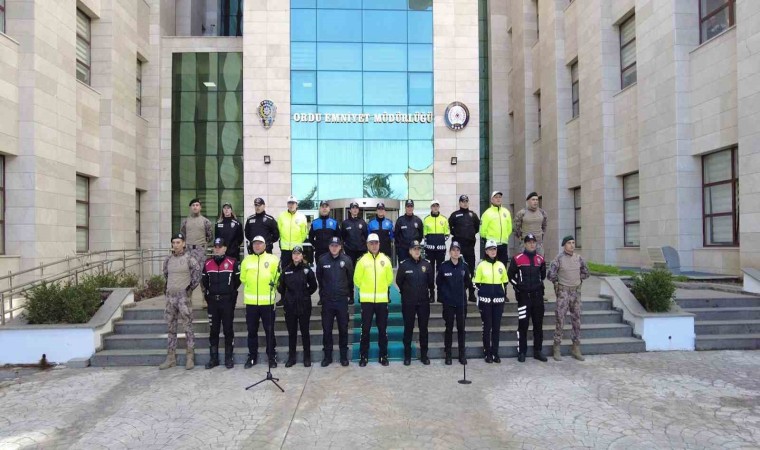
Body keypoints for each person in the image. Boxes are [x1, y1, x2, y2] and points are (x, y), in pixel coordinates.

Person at [159, 232, 202, 370]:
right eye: (174, 243)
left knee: (187, 327)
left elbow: (197, 275)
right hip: (170, 299)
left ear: (183, 243)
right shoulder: (168, 260)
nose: (175, 245)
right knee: (171, 328)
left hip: (184, 299)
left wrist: (189, 289)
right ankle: (171, 357)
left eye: (178, 242)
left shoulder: (190, 258)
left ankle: (190, 357)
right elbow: (166, 274)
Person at [240, 235, 281, 369]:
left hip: (267, 302)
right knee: (252, 331)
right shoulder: (247, 260)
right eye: (255, 243)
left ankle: (271, 356)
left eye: (260, 243)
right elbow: (243, 278)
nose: (257, 246)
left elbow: (277, 278)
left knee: (269, 331)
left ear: (265, 245)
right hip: (251, 303)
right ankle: (252, 356)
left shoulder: (273, 259)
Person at [547, 235, 590, 361]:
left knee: (576, 320)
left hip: (575, 293)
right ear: (564, 245)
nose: (572, 245)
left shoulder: (579, 258)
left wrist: (577, 278)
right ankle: (557, 347)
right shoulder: (558, 259)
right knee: (560, 319)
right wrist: (560, 283)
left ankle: (576, 347)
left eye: (573, 242)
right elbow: (550, 275)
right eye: (569, 243)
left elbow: (586, 272)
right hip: (563, 292)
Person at [354, 233, 394, 367]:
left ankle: (383, 356)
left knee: (382, 330)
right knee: (365, 330)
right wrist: (367, 290)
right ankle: (363, 356)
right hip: (367, 301)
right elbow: (357, 280)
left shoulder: (386, 260)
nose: (374, 245)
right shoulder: (362, 260)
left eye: (376, 243)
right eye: (371, 243)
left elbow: (389, 280)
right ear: (367, 245)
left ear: (379, 244)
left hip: (382, 301)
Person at [201, 237, 241, 369]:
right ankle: (214, 358)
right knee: (214, 330)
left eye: (220, 246)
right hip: (213, 302)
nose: (217, 249)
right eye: (215, 247)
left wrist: (230, 294)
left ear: (225, 248)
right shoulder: (207, 264)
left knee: (228, 330)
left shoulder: (232, 262)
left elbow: (237, 281)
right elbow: (205, 283)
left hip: (227, 301)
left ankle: (229, 357)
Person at [508, 233, 548, 363]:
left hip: (537, 298)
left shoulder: (540, 259)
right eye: (529, 242)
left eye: (533, 242)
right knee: (523, 326)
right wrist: (518, 287)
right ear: (524, 244)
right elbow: (510, 276)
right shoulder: (517, 259)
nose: (531, 244)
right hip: (523, 298)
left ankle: (538, 351)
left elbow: (542, 276)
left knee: (538, 325)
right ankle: (522, 352)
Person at [278, 245, 318, 368]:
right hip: (290, 307)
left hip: (304, 305)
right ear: (292, 256)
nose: (296, 256)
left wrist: (305, 295)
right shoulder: (286, 270)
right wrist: (288, 298)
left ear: (302, 256)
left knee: (305, 332)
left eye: (298, 254)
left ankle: (307, 357)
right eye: (294, 254)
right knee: (292, 333)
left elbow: (313, 286)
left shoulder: (307, 270)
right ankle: (292, 358)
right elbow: (281, 287)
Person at [317, 236, 355, 367]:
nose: (334, 248)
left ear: (340, 247)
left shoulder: (347, 260)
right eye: (332, 245)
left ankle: (343, 356)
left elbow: (350, 280)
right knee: (327, 330)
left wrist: (349, 295)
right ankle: (327, 356)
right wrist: (322, 296)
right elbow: (320, 279)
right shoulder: (322, 260)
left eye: (336, 245)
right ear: (329, 247)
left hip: (341, 301)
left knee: (343, 329)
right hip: (327, 301)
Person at [396, 240, 434, 365]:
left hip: (423, 302)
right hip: (409, 303)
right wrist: (407, 293)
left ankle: (424, 355)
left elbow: (430, 283)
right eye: (414, 249)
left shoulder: (427, 265)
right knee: (408, 329)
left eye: (418, 249)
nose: (417, 251)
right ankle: (407, 356)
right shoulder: (404, 265)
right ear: (410, 251)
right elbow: (399, 282)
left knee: (424, 329)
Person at [436, 241, 473, 365]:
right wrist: (445, 295)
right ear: (449, 251)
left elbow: (468, 282)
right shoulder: (444, 266)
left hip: (461, 303)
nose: (455, 252)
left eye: (458, 250)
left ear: (460, 252)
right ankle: (448, 355)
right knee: (449, 328)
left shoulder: (464, 266)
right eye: (453, 250)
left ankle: (462, 354)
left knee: (461, 329)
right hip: (449, 303)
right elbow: (439, 282)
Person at [473, 240, 508, 363]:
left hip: (498, 301)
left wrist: (500, 293)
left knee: (496, 327)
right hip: (485, 301)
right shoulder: (481, 265)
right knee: (487, 327)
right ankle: (487, 352)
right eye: (490, 249)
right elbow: (476, 282)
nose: (493, 251)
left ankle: (495, 352)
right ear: (486, 251)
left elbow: (505, 281)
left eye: (495, 249)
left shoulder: (501, 265)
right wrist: (484, 291)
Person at [448, 194, 480, 302]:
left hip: (469, 247)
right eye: (462, 201)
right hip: (458, 248)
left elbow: (476, 228)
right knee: (457, 269)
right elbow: (450, 228)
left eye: (466, 201)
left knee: (470, 270)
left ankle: (471, 293)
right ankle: (458, 292)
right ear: (459, 203)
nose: (464, 203)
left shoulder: (473, 215)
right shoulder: (454, 215)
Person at [180, 198, 213, 274]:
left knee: (201, 272)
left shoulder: (206, 221)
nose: (195, 207)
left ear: (200, 207)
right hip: (188, 250)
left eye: (197, 205)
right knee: (188, 272)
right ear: (190, 208)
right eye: (193, 205)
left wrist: (202, 245)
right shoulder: (185, 221)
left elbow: (210, 236)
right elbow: (183, 235)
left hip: (200, 250)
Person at [480, 191, 513, 268]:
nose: (498, 199)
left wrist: (504, 237)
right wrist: (488, 239)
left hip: (503, 244)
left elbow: (509, 228)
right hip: (492, 245)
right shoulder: (487, 213)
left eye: (500, 197)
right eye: (496, 197)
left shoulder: (506, 212)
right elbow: (482, 230)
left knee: (502, 266)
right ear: (492, 200)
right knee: (491, 266)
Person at [277, 195, 308, 269]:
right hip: (285, 250)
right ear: (287, 204)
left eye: (293, 203)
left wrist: (298, 241)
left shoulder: (302, 217)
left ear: (296, 205)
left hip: (297, 249)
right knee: (285, 270)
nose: (291, 205)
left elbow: (304, 233)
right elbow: (279, 230)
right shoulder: (281, 216)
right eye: (289, 203)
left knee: (298, 270)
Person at [423, 199, 450, 280]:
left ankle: (440, 289)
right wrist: (431, 241)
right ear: (431, 208)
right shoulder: (426, 219)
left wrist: (439, 241)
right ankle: (431, 289)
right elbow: (424, 235)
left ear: (439, 207)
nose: (435, 208)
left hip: (441, 250)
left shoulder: (444, 219)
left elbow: (447, 233)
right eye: (433, 206)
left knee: (441, 269)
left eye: (437, 206)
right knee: (430, 269)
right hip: (430, 250)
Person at [341, 201, 368, 266]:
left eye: (356, 208)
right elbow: (343, 237)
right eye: (353, 208)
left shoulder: (362, 222)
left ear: (358, 210)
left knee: (360, 269)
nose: (355, 210)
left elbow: (366, 236)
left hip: (361, 251)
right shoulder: (345, 223)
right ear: (350, 210)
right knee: (350, 269)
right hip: (350, 251)